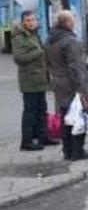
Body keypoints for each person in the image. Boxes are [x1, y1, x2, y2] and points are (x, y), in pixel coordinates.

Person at [45, 11, 88, 161]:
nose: (74, 23)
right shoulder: (69, 41)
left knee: (66, 118)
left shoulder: (50, 40)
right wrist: (83, 90)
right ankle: (77, 151)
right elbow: (76, 68)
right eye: (73, 20)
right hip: (72, 85)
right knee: (79, 117)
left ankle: (67, 151)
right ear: (68, 23)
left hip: (58, 83)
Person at [12, 11, 58, 151]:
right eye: (28, 20)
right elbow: (19, 58)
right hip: (29, 81)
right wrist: (38, 52)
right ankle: (26, 142)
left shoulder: (34, 34)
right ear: (23, 22)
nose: (31, 22)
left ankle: (42, 137)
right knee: (30, 112)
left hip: (40, 79)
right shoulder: (19, 37)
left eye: (33, 20)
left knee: (41, 110)